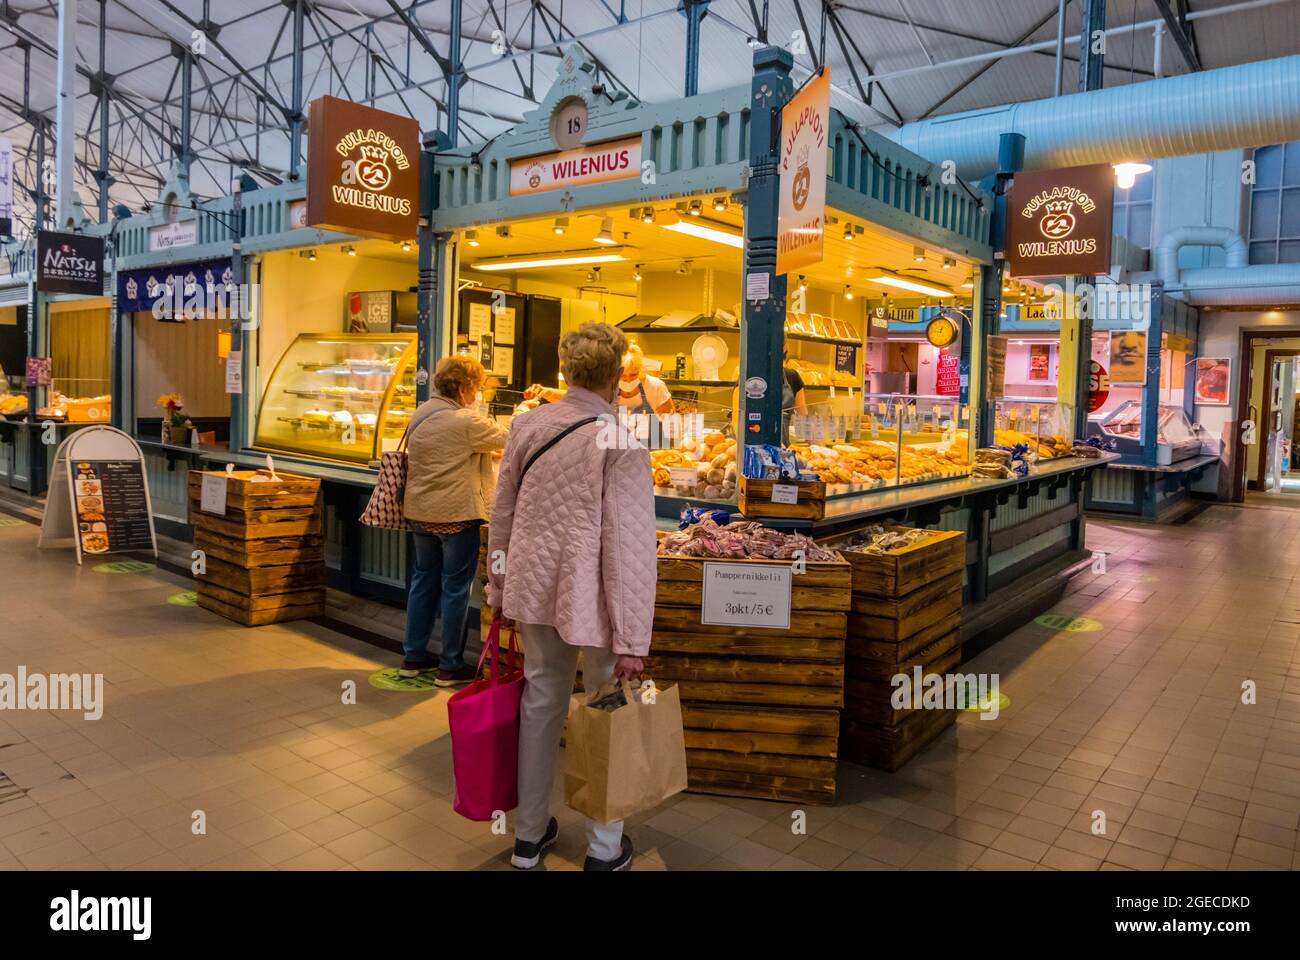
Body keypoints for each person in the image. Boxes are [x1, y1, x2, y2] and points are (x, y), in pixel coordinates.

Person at [487, 322, 656, 872]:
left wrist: (497, 583)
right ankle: (605, 848)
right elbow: (630, 547)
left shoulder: (528, 424)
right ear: (618, 376)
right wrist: (633, 636)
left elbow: (502, 512)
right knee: (607, 707)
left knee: (540, 703)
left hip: (534, 585)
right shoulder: (620, 438)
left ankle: (529, 838)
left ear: (567, 370)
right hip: (597, 596)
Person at [400, 355, 509, 685]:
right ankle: (449, 665)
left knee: (422, 582)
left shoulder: (422, 413)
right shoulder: (466, 421)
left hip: (420, 512)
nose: (477, 394)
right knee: (455, 588)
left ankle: (413, 657)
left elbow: (447, 453)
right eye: (476, 387)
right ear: (463, 388)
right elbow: (510, 437)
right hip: (456, 516)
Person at [618, 342, 675, 416]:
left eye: (633, 375)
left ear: (641, 371)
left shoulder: (656, 387)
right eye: (622, 375)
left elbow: (669, 422)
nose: (628, 380)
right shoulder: (605, 389)